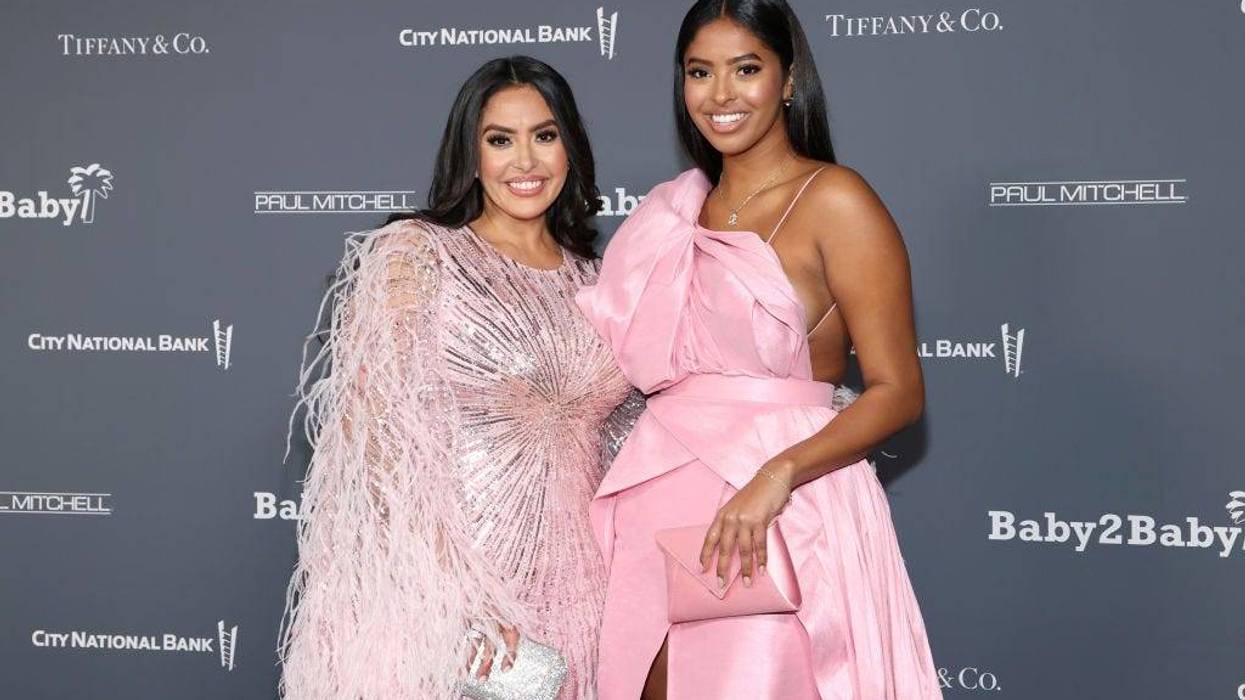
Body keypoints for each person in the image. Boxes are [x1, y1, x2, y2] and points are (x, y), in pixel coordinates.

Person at [576, 1, 942, 698]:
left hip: (776, 503)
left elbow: (898, 390)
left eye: (745, 69)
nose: (720, 95)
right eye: (699, 72)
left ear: (786, 78)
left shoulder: (835, 200)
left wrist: (776, 476)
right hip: (660, 492)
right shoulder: (671, 212)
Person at [278, 55, 633, 699]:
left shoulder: (598, 282)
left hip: (587, 592)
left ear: (571, 149)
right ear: (471, 156)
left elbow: (631, 433)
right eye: (500, 140)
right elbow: (378, 445)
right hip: (460, 595)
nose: (525, 161)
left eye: (544, 135)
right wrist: (462, 598)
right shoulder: (418, 256)